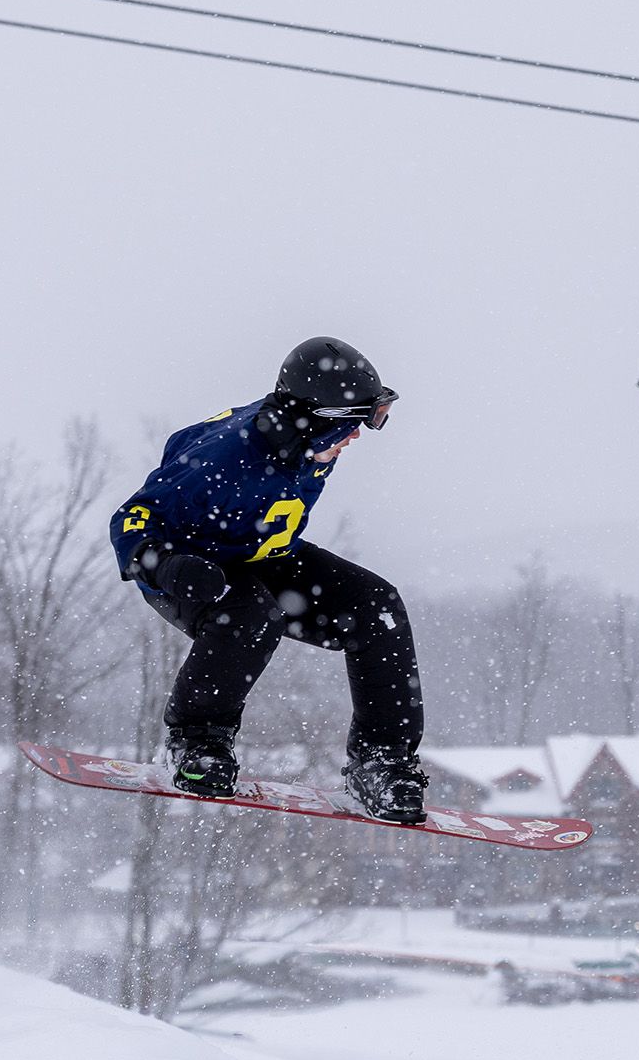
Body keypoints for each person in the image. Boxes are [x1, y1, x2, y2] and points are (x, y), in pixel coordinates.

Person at [108, 337, 429, 825]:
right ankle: (196, 744)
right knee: (252, 615)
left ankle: (379, 765)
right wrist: (167, 566)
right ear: (315, 418)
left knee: (376, 606)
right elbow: (130, 518)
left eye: (373, 418)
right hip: (193, 571)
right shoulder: (225, 460)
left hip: (262, 554)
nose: (361, 434)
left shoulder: (310, 436)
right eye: (355, 421)